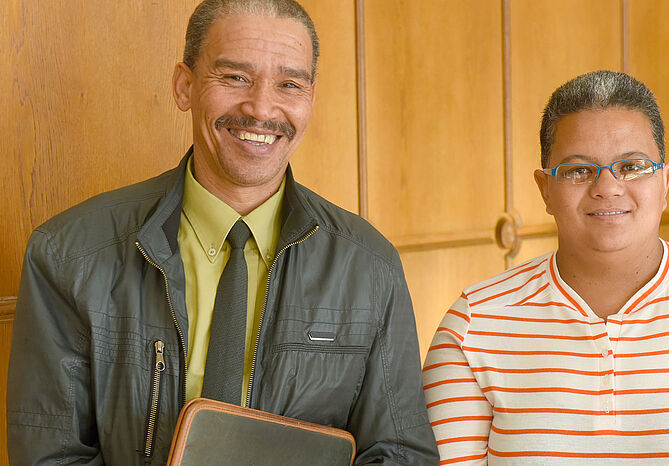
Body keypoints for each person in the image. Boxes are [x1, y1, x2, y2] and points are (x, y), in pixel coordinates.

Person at [7, 0, 438, 464]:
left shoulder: (368, 265)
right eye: (235, 77)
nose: (261, 108)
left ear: (310, 99)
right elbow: (50, 455)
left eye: (289, 84)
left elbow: (399, 453)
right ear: (185, 86)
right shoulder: (68, 254)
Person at [423, 70, 669, 464]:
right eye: (579, 170)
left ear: (664, 183)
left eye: (632, 166)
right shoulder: (475, 324)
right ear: (545, 189)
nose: (608, 187)